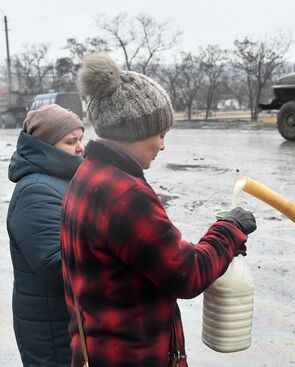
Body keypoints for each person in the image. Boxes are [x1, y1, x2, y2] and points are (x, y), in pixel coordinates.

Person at [60, 53, 256, 367]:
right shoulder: (124, 194)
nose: (163, 146)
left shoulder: (87, 176)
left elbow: (143, 257)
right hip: (134, 356)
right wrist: (229, 230)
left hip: (96, 350)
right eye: (160, 134)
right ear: (136, 131)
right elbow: (187, 274)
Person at [7, 104, 85, 367]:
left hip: (63, 323)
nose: (80, 147)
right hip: (51, 334)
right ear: (47, 145)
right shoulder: (36, 190)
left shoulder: (60, 180)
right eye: (70, 141)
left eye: (80, 139)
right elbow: (57, 265)